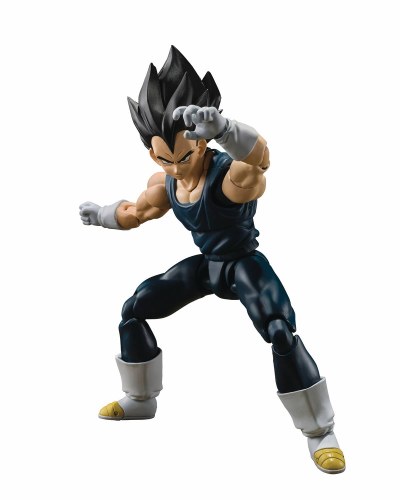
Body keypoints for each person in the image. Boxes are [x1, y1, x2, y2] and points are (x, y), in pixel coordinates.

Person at [79, 46, 345, 474]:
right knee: (134, 308)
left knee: (279, 330)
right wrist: (103, 216)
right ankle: (141, 399)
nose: (176, 168)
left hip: (243, 265)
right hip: (207, 268)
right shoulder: (166, 182)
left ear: (201, 143)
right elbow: (137, 212)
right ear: (153, 153)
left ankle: (320, 431)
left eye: (184, 157)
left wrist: (227, 129)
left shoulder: (227, 176)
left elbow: (259, 164)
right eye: (164, 159)